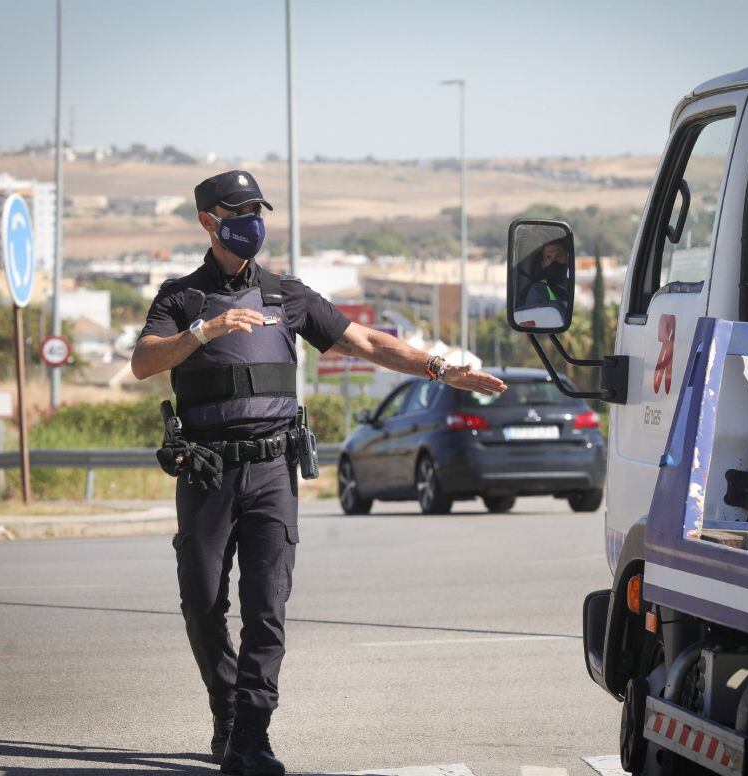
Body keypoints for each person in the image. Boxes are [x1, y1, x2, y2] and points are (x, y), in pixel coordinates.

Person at [131, 170, 506, 776]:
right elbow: (143, 363)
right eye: (239, 209)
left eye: (258, 208)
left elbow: (367, 342)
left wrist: (441, 367)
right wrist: (202, 333)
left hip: (273, 471)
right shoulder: (181, 298)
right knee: (201, 604)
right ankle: (225, 709)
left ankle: (250, 735)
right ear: (208, 220)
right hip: (207, 473)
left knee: (267, 609)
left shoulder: (288, 296)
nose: (252, 219)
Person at [518, 238, 570, 309]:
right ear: (543, 264)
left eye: (559, 255)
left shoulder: (573, 285)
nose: (554, 261)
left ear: (568, 260)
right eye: (549, 257)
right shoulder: (538, 290)